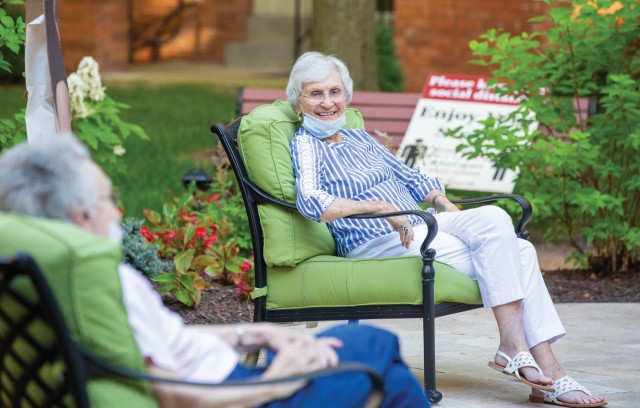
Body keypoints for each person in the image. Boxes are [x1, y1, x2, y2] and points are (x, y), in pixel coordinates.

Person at [0, 136, 430, 408]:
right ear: (80, 214)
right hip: (237, 395)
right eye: (109, 197)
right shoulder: (101, 278)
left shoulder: (53, 275)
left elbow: (161, 345)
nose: (118, 210)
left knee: (382, 372)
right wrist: (277, 382)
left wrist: (257, 334)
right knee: (375, 347)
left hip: (227, 378)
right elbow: (173, 396)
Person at [287, 51, 607, 408]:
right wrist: (380, 208)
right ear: (298, 102)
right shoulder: (306, 145)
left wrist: (443, 203)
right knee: (517, 249)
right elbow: (313, 201)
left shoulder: (358, 138)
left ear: (346, 94)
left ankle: (521, 356)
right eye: (315, 94)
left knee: (506, 233)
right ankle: (543, 369)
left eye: (335, 91)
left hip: (422, 225)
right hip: (378, 239)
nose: (328, 102)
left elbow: (412, 178)